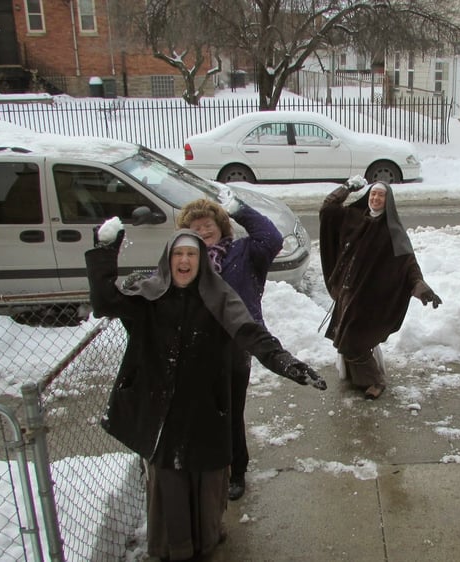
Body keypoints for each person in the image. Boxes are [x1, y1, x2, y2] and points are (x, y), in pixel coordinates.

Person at [85, 226, 326, 561]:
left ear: (202, 261)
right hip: (162, 413)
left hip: (205, 406)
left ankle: (207, 539)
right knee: (169, 481)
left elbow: (251, 334)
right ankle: (175, 548)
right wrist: (104, 252)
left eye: (192, 254)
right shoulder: (147, 296)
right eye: (178, 254)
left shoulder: (220, 297)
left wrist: (286, 363)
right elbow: (103, 302)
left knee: (208, 479)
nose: (185, 260)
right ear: (168, 260)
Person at [176, 195, 283, 501]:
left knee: (231, 412)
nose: (203, 231)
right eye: (195, 228)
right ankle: (208, 465)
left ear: (221, 226)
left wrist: (240, 210)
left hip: (237, 345)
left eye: (208, 224)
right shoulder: (187, 260)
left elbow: (272, 238)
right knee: (202, 412)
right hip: (197, 347)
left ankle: (237, 471)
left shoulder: (245, 252)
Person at [319, 177, 442, 400]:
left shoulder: (392, 232)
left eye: (381, 195)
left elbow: (409, 266)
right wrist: (347, 188)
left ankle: (375, 380)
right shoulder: (354, 218)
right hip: (347, 292)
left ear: (388, 201)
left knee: (352, 342)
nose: (375, 198)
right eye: (373, 194)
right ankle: (358, 379)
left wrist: (422, 288)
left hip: (370, 299)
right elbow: (328, 208)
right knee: (346, 338)